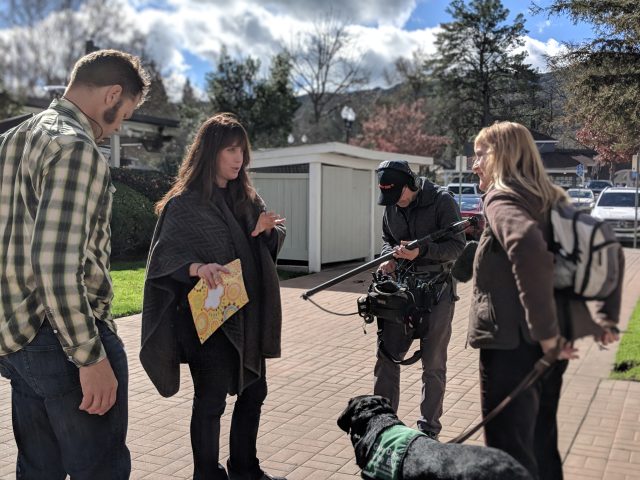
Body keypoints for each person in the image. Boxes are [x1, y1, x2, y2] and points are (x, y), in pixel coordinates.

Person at [0, 50, 149, 479]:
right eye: (124, 114)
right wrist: (90, 358)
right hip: (65, 342)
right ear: (113, 94)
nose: (118, 126)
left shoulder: (13, 141)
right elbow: (53, 264)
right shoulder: (75, 147)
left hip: (16, 340)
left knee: (37, 470)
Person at [468, 121, 623, 480]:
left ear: (502, 156)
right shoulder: (549, 198)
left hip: (515, 346)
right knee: (541, 442)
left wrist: (546, 333)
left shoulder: (502, 197)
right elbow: (605, 248)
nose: (474, 164)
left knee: (508, 455)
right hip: (549, 347)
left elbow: (527, 247)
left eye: (479, 155)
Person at [140, 113, 287, 480]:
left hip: (247, 314)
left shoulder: (247, 198)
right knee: (211, 400)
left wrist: (265, 232)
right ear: (210, 152)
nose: (238, 159)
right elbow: (164, 257)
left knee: (254, 392)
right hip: (206, 319)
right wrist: (196, 268)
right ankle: (206, 473)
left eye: (242, 151)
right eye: (230, 150)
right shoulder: (185, 203)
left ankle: (244, 467)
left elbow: (265, 247)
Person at [373, 160, 465, 440]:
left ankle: (428, 431)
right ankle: (384, 427)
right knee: (386, 357)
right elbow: (388, 237)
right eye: (389, 199)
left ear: (411, 184)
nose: (395, 204)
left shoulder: (441, 201)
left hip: (437, 292)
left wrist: (422, 251)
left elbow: (457, 246)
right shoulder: (391, 204)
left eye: (398, 196)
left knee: (433, 364)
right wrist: (390, 257)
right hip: (402, 290)